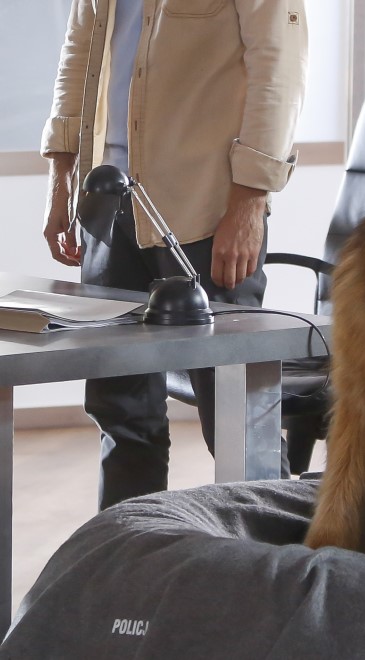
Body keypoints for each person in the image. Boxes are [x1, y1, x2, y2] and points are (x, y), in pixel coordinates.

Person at [40, 0, 309, 510]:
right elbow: (78, 56)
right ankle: (131, 551)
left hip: (206, 208)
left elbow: (279, 66)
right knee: (121, 412)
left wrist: (250, 201)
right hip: (108, 203)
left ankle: (275, 553)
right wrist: (62, 180)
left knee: (235, 416)